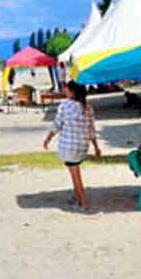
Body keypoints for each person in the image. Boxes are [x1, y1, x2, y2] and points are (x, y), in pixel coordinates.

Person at [42, 81, 101, 209]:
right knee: (74, 171)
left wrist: (47, 139)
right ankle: (77, 196)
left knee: (75, 175)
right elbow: (91, 130)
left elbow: (57, 125)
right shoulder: (88, 107)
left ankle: (83, 202)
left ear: (72, 92)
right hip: (82, 147)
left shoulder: (65, 105)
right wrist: (96, 147)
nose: (64, 90)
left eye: (66, 88)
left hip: (68, 148)